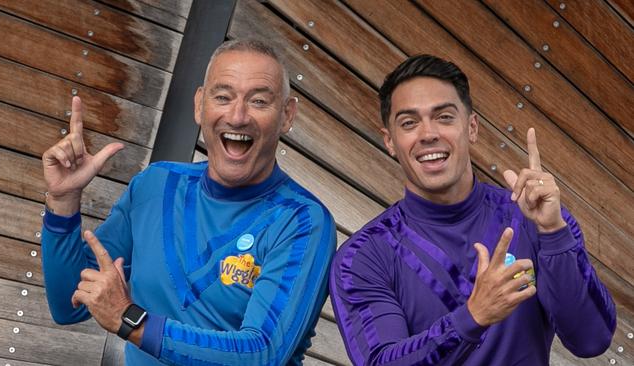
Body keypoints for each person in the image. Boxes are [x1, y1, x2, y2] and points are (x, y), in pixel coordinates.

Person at [41, 39, 336, 365]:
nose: (237, 116)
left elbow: (262, 354)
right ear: (200, 105)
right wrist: (63, 200)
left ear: (286, 115)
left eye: (259, 101)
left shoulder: (302, 221)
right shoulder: (156, 185)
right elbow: (70, 305)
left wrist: (131, 320)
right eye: (223, 97)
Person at [329, 54, 616, 365]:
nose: (428, 134)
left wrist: (554, 234)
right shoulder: (363, 256)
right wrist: (473, 317)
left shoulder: (534, 217)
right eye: (409, 123)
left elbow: (592, 340)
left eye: (444, 117)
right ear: (389, 141)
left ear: (472, 128)